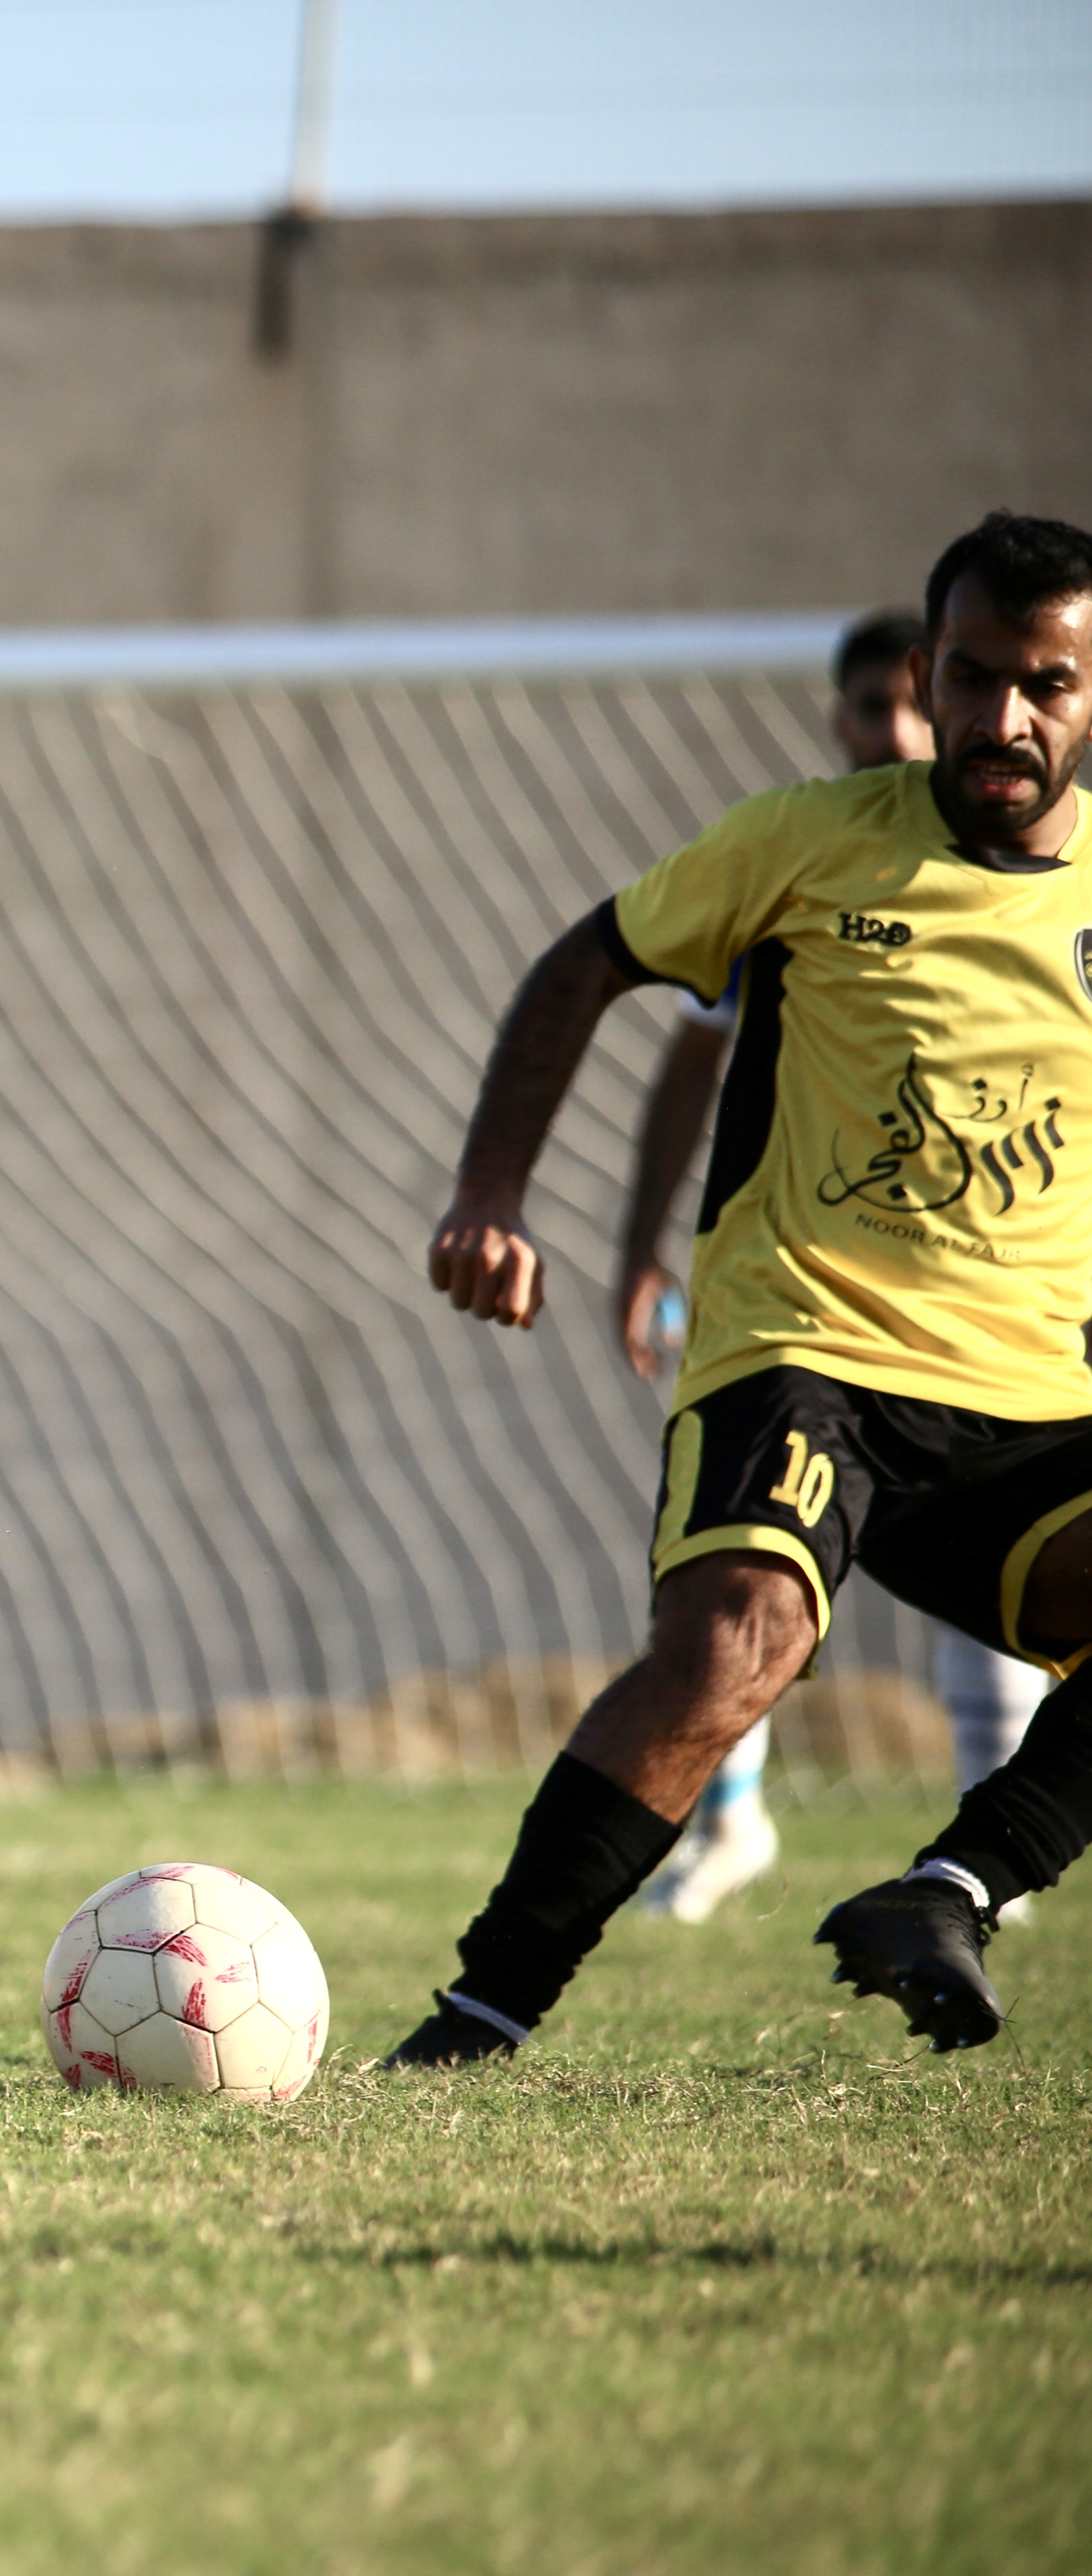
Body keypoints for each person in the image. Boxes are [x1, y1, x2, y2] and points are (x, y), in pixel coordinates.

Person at [390, 511, 1092, 2068]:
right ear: (927, 672)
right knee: (730, 1647)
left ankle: (947, 1892)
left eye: (1043, 683)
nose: (1002, 717)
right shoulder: (806, 841)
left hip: (1027, 1406)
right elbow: (586, 965)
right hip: (806, 1351)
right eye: (970, 677)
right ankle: (475, 2021)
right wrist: (489, 1194)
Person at [615, 612, 1047, 1921]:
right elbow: (692, 1058)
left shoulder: (1035, 882)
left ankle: (989, 1850)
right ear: (843, 718)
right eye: (872, 708)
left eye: (915, 706)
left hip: (984, 1299)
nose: (895, 730)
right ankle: (732, 1821)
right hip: (804, 1299)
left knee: (997, 1560)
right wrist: (642, 1247)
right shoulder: (800, 871)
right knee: (741, 1575)